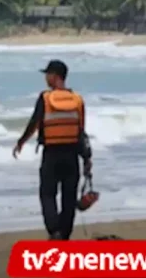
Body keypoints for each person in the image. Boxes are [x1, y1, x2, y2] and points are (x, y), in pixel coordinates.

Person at [12, 59, 93, 241]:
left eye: (47, 74)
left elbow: (35, 123)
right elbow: (80, 132)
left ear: (55, 76)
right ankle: (64, 235)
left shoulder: (45, 98)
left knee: (47, 194)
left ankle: (54, 231)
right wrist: (87, 158)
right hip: (72, 156)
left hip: (52, 155)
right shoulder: (78, 100)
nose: (46, 78)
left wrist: (21, 141)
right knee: (69, 198)